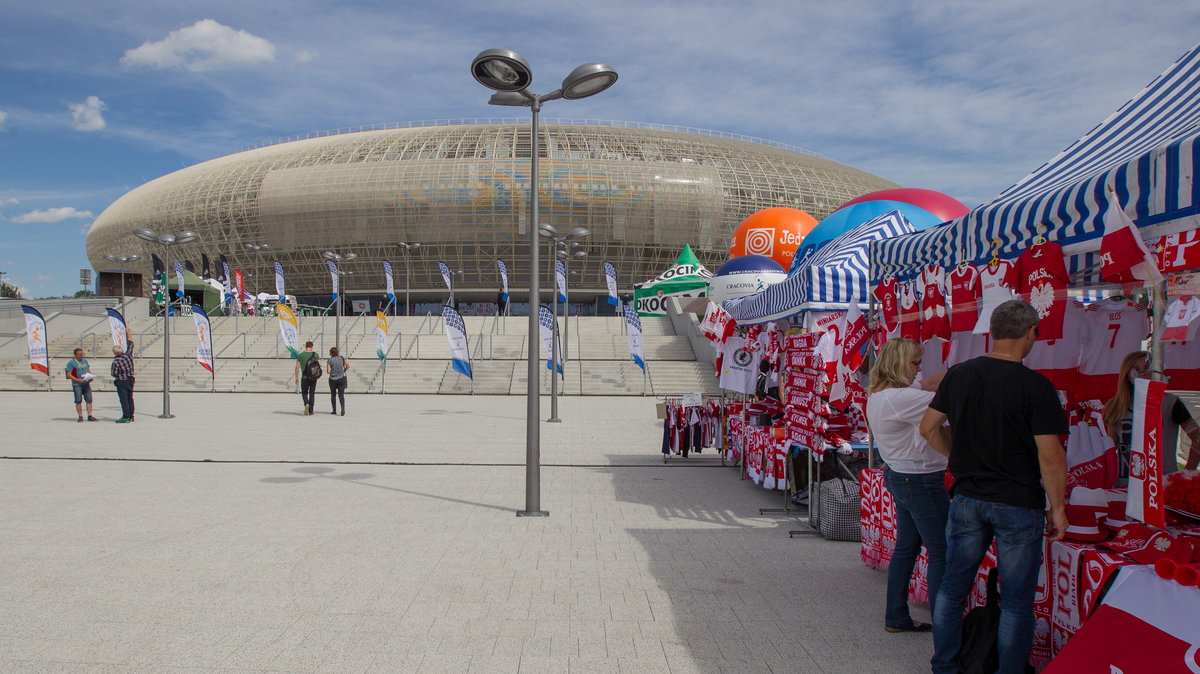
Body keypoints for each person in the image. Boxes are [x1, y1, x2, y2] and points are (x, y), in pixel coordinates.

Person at [919, 299, 1068, 674]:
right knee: (1016, 601)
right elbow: (1050, 457)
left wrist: (956, 457)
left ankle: (945, 667)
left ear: (993, 332)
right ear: (1031, 333)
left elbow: (927, 428)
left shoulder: (960, 374)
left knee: (953, 589)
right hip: (1018, 501)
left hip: (969, 497)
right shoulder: (1036, 387)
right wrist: (1059, 507)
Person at [866, 338, 947, 634]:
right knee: (942, 551)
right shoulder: (902, 398)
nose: (918, 369)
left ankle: (896, 616)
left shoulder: (882, 394)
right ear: (901, 364)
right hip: (920, 480)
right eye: (914, 363)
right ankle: (945, 627)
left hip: (902, 475)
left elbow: (926, 384)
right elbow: (947, 395)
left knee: (906, 549)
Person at [1103, 350, 1200, 482]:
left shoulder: (1170, 403)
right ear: (1127, 375)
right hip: (1126, 484)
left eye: (1149, 368)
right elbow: (1110, 447)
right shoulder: (1115, 405)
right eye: (1137, 369)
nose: (1145, 373)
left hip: (1162, 484)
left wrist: (1186, 474)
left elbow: (1197, 438)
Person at [65, 348, 97, 422]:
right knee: (78, 400)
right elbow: (68, 374)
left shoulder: (85, 361)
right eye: (79, 354)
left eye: (82, 354)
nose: (81, 355)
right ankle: (80, 416)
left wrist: (90, 377)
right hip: (77, 384)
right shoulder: (71, 363)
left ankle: (90, 415)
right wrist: (77, 380)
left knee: (89, 400)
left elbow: (88, 370)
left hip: (86, 383)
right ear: (75, 355)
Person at [110, 343, 136, 423]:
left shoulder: (116, 361)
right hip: (130, 379)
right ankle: (131, 416)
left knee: (124, 399)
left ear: (116, 353)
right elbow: (131, 345)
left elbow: (114, 373)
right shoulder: (128, 355)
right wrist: (128, 333)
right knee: (130, 398)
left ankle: (126, 416)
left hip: (122, 381)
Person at [295, 341, 318, 416]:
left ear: (305, 346)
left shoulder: (301, 355)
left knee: (304, 393)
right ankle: (311, 411)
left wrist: (296, 377)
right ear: (312, 346)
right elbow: (320, 364)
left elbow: (297, 367)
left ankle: (306, 403)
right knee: (312, 394)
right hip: (313, 377)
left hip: (304, 377)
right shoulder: (315, 354)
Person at [326, 346, 349, 416]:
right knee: (341, 395)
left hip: (332, 379)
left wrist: (333, 371)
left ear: (331, 353)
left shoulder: (329, 360)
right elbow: (348, 365)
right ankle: (342, 407)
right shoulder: (341, 358)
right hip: (341, 378)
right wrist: (343, 370)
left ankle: (334, 410)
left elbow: (328, 371)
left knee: (333, 395)